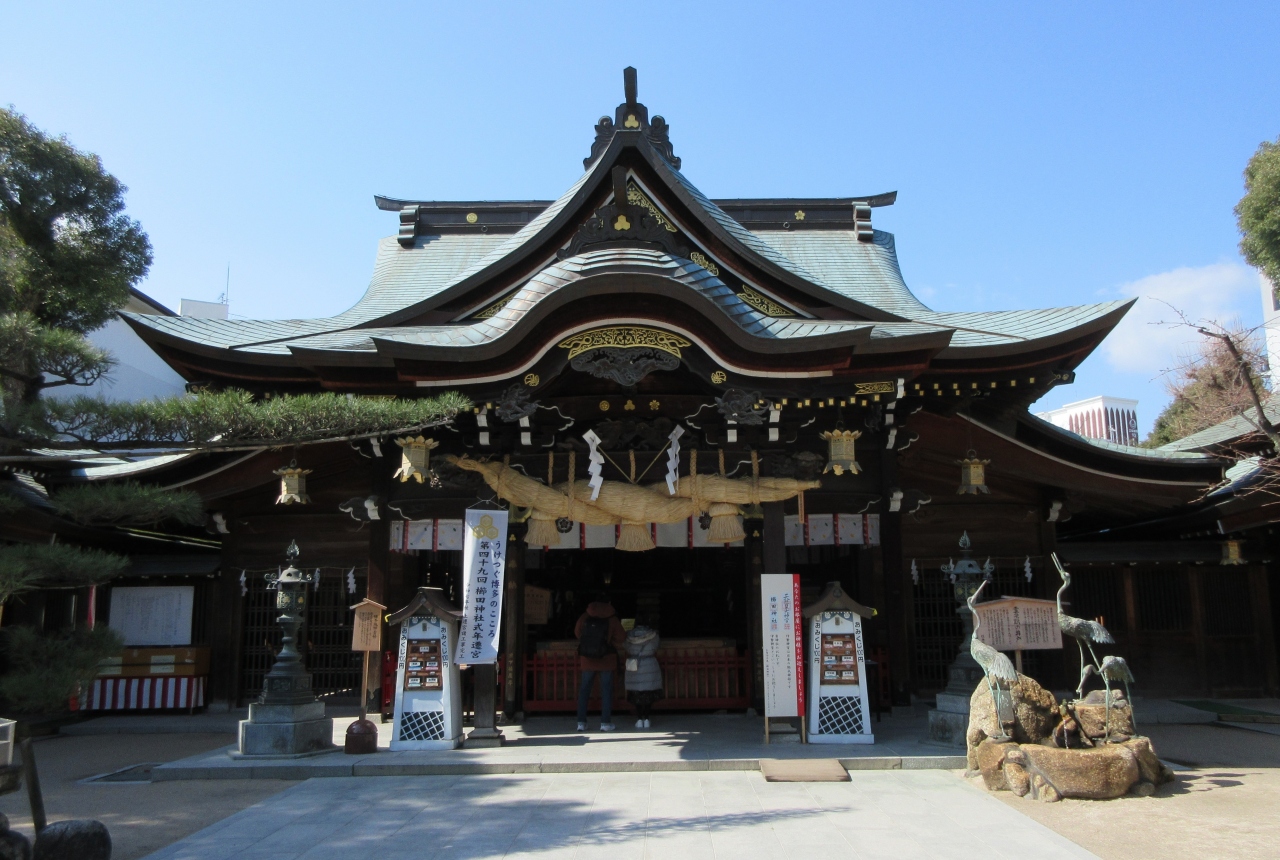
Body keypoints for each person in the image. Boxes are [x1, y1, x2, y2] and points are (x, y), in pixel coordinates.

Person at [574, 596, 626, 732]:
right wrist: (609, 643)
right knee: (607, 691)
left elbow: (577, 632)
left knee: (584, 690)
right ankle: (605, 723)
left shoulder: (585, 616)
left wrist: (589, 643)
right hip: (606, 659)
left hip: (587, 659)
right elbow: (621, 638)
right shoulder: (612, 619)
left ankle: (581, 722)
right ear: (608, 603)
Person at [624, 616, 662, 729]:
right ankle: (647, 718)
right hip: (649, 664)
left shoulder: (629, 635)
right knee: (648, 694)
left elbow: (625, 646)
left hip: (634, 665)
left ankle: (639, 719)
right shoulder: (654, 635)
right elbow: (656, 647)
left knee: (636, 693)